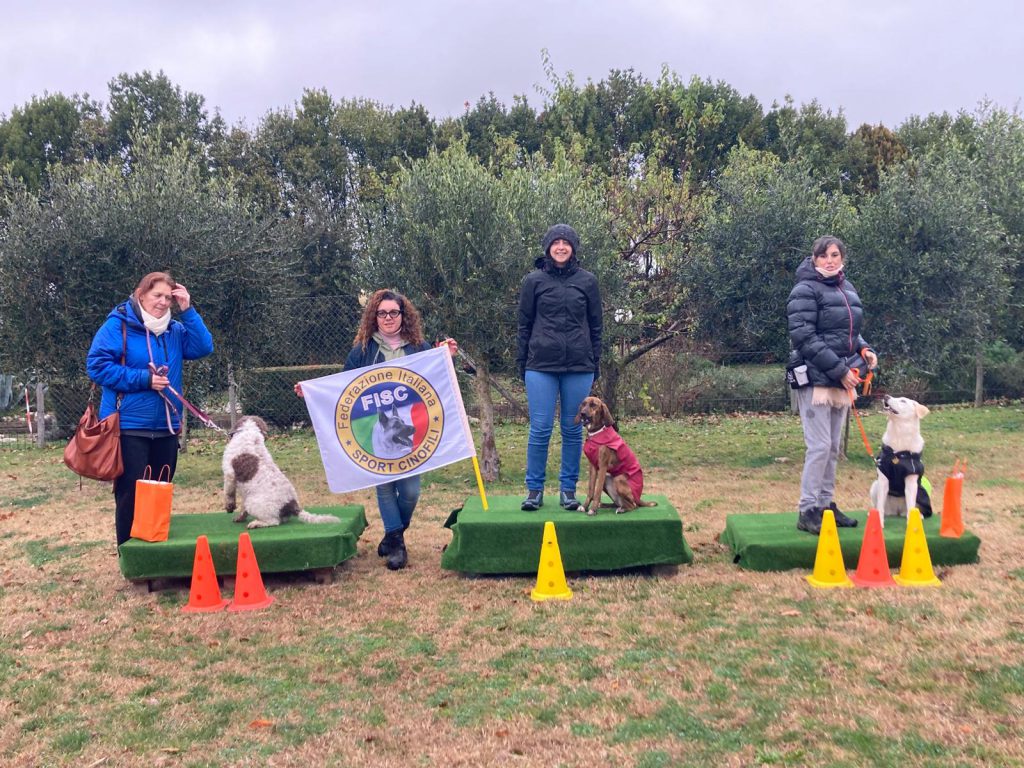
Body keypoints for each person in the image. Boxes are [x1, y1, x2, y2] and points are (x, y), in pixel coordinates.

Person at [295, 289, 457, 570]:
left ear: (403, 315)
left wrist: (447, 356)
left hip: (412, 430)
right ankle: (397, 544)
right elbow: (343, 389)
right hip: (376, 431)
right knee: (384, 487)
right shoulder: (362, 351)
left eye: (394, 312)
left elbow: (438, 376)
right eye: (382, 313)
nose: (388, 318)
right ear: (374, 317)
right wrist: (311, 392)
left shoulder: (419, 347)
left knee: (410, 491)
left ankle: (393, 534)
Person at [86, 272, 214, 547]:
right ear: (141, 294)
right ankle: (129, 554)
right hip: (128, 426)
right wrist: (144, 379)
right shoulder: (117, 325)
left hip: (166, 426)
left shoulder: (174, 330)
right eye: (157, 295)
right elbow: (97, 367)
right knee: (130, 495)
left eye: (168, 297)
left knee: (159, 493)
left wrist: (187, 310)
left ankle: (155, 554)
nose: (163, 302)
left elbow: (204, 347)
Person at [787, 236, 878, 535]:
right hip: (816, 378)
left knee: (833, 447)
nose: (829, 260)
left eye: (835, 255)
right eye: (823, 255)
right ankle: (807, 509)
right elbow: (804, 337)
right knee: (820, 446)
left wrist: (864, 349)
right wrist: (840, 371)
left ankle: (825, 505)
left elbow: (849, 332)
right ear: (814, 259)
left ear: (842, 258)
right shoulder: (804, 289)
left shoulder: (847, 288)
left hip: (841, 378)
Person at [516, 223, 603, 512]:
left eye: (566, 243)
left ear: (573, 248)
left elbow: (596, 326)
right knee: (540, 429)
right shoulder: (534, 281)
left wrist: (595, 361)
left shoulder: (587, 281)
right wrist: (522, 362)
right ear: (548, 248)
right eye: (556, 243)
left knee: (572, 429)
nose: (561, 247)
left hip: (579, 366)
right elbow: (524, 325)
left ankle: (568, 490)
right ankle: (534, 490)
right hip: (540, 365)